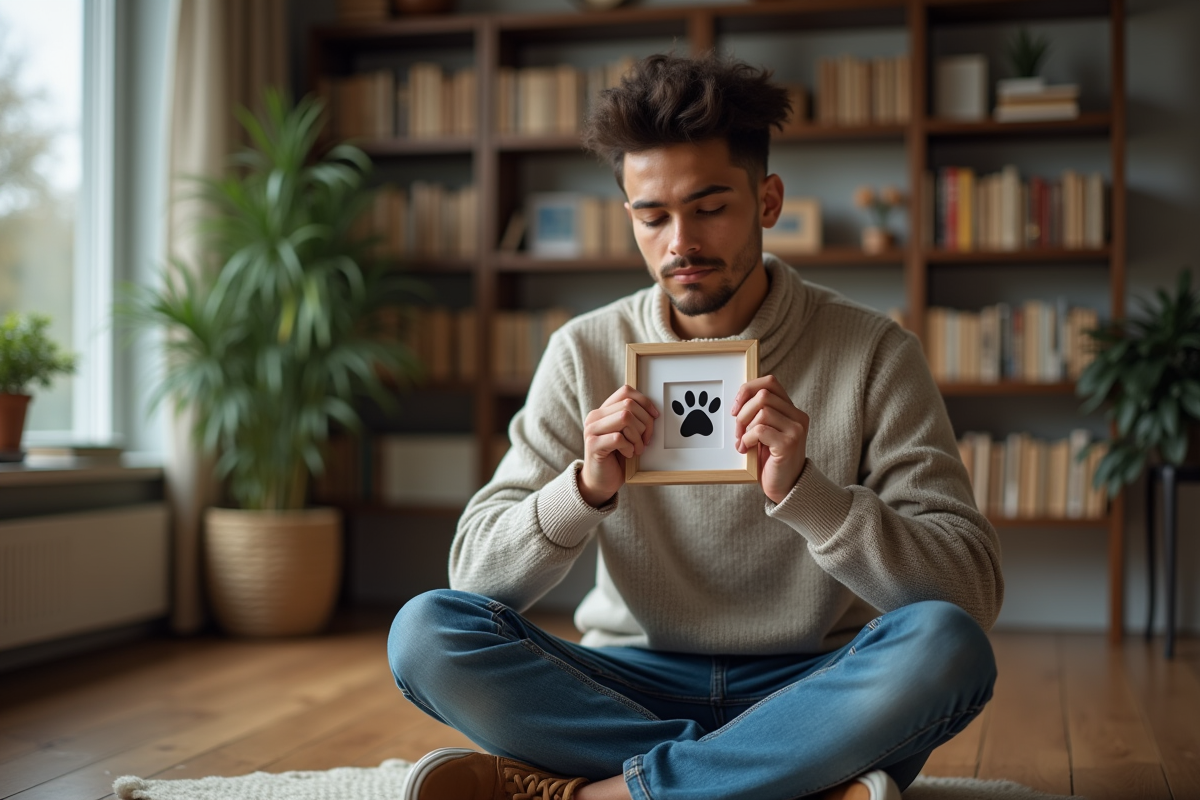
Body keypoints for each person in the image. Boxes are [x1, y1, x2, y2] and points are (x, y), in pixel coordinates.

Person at [390, 52, 1003, 800]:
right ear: (630, 220)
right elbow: (474, 578)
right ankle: (784, 777)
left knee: (948, 648)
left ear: (768, 201)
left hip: (810, 681)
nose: (679, 241)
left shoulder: (874, 353)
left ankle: (611, 793)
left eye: (710, 207)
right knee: (424, 633)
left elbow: (969, 591)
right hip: (631, 685)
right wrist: (581, 491)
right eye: (652, 216)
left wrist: (811, 495)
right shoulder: (582, 351)